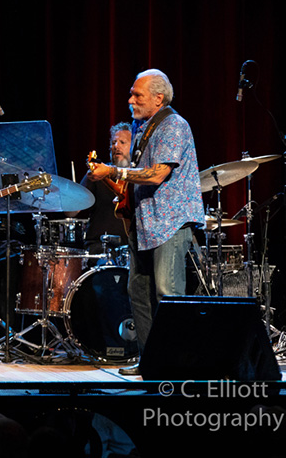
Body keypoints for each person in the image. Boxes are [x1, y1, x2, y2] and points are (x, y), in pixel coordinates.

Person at [87, 69, 204, 375]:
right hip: (144, 223)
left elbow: (157, 174)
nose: (130, 100)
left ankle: (175, 366)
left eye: (137, 95)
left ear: (158, 98)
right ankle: (150, 361)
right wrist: (108, 176)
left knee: (167, 293)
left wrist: (114, 170)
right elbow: (137, 180)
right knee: (138, 291)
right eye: (131, 94)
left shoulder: (174, 125)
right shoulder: (143, 128)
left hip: (169, 223)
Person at [70, 122, 132, 256]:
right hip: (99, 248)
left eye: (122, 142)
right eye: (113, 142)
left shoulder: (139, 177)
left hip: (131, 249)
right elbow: (71, 212)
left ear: (133, 147)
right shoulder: (97, 174)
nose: (116, 146)